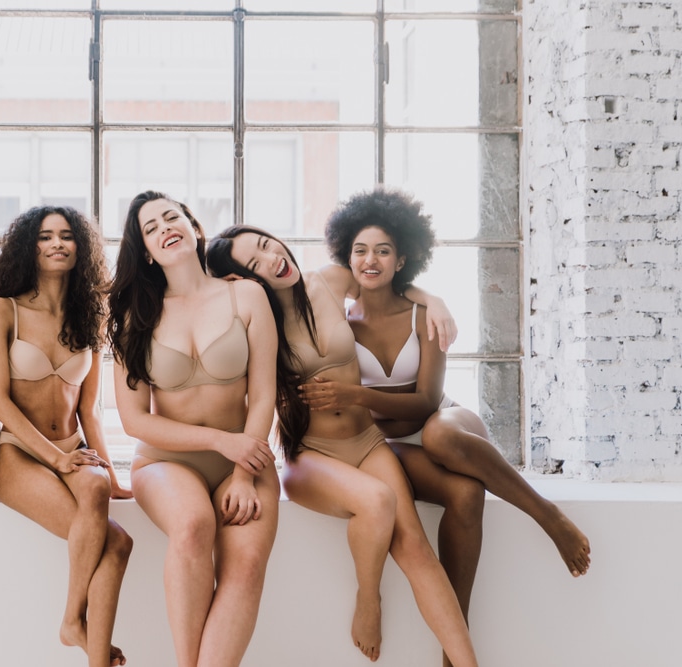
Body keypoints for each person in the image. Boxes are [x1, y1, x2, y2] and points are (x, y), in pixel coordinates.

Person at [207, 225, 478, 666]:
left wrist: (435, 301)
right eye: (255, 264)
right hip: (312, 453)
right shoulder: (252, 320)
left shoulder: (331, 279)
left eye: (265, 244)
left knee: (417, 550)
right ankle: (368, 600)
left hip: (368, 441)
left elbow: (386, 280)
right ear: (243, 280)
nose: (272, 258)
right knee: (376, 500)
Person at [311, 188, 590, 597]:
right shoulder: (339, 324)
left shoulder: (425, 315)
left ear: (402, 260)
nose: (370, 260)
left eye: (383, 251)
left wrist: (356, 396)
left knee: (439, 435)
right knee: (465, 493)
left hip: (442, 421)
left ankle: (548, 516)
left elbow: (426, 400)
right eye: (360, 250)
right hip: (387, 444)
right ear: (348, 258)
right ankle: (455, 644)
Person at [107, 191, 280, 667]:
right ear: (146, 250)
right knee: (192, 525)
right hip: (166, 461)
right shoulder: (133, 316)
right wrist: (221, 442)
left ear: (194, 226)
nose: (165, 226)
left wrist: (243, 472)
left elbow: (263, 394)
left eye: (172, 216)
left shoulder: (245, 294)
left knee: (245, 567)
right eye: (151, 227)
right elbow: (134, 419)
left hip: (247, 460)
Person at [0, 205, 132, 667]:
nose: (57, 244)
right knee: (117, 543)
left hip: (72, 447)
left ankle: (75, 628)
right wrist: (57, 459)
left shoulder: (90, 316)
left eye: (67, 236)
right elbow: (0, 402)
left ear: (80, 248)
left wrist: (107, 469)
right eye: (46, 237)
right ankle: (81, 637)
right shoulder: (3, 310)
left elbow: (89, 408)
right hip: (21, 452)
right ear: (30, 246)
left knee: (98, 488)